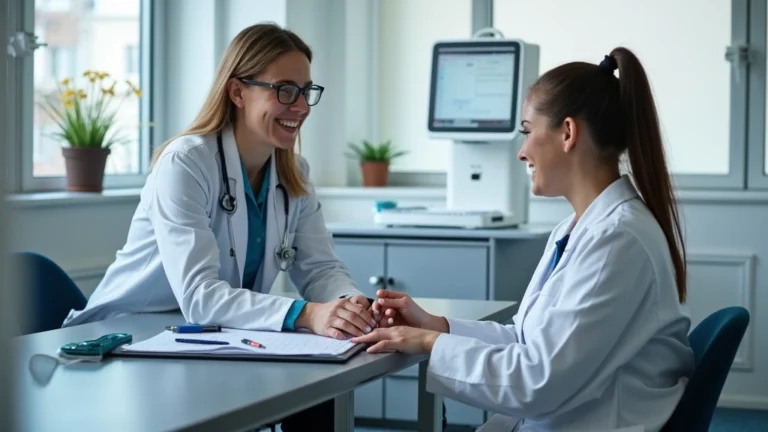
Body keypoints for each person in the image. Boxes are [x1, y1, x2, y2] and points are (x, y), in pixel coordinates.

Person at [353, 47, 696, 432]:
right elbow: (525, 339)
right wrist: (436, 326)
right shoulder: (579, 230)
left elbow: (539, 381)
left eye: (528, 132)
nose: (521, 152)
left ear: (568, 133)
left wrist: (428, 344)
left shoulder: (616, 240)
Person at [62, 23, 378, 431]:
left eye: (305, 91)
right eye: (284, 89)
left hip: (211, 340)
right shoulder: (186, 163)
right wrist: (308, 314)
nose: (300, 106)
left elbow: (320, 269)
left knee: (321, 391)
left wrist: (351, 307)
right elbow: (200, 295)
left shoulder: (293, 172)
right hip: (130, 341)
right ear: (237, 92)